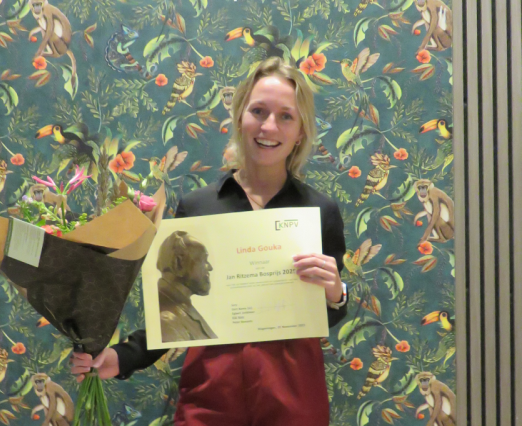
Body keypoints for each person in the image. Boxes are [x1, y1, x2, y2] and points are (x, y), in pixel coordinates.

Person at [71, 56, 348, 426]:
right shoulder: (198, 207)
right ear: (239, 116)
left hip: (292, 400)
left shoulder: (320, 210)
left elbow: (328, 314)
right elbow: (175, 310)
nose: (269, 126)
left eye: (286, 116)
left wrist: (336, 294)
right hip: (210, 400)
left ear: (301, 131)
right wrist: (122, 357)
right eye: (258, 111)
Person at [156, 230, 218, 342]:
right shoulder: (167, 320)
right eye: (204, 260)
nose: (210, 267)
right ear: (179, 263)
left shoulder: (182, 308)